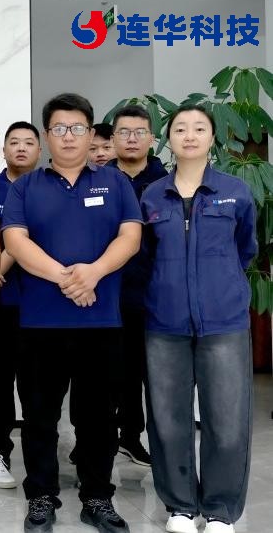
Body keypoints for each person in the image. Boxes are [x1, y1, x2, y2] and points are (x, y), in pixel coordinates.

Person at [3, 93, 141, 533]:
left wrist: (94, 272)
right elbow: (15, 241)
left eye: (77, 128)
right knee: (39, 417)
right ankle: (41, 496)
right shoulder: (26, 187)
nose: (68, 136)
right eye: (59, 128)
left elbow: (131, 237)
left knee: (97, 418)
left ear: (91, 133)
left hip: (101, 322)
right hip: (39, 323)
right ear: (47, 136)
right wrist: (68, 278)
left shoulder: (116, 182)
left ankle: (97, 497)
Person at [141, 104, 256, 533]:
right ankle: (180, 508)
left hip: (224, 322)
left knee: (227, 421)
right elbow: (144, 257)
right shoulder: (152, 196)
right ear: (168, 139)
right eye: (180, 129)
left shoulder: (235, 192)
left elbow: (245, 248)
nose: (189, 136)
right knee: (168, 420)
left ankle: (221, 510)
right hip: (164, 322)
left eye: (199, 128)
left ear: (212, 137)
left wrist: (221, 286)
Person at [0, 121, 42, 491]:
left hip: (39, 304)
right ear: (4, 150)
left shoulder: (47, 187)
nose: (20, 148)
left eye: (28, 142)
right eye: (14, 142)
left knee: (36, 387)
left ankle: (39, 459)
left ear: (39, 150)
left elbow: (30, 236)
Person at [106, 104, 168, 466]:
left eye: (139, 132)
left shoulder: (166, 184)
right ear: (113, 138)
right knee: (104, 373)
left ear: (152, 139)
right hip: (104, 293)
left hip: (152, 295)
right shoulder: (98, 180)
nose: (131, 139)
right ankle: (96, 439)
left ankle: (132, 436)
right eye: (124, 132)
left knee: (146, 374)